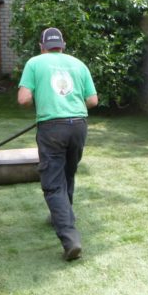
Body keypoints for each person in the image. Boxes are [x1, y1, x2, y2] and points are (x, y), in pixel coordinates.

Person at [18, 27, 98, 261]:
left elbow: (23, 99)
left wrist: (39, 97)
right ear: (62, 45)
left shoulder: (35, 63)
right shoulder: (79, 64)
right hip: (78, 126)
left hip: (52, 127)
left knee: (52, 183)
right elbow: (92, 101)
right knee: (67, 174)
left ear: (42, 46)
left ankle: (70, 237)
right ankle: (61, 216)